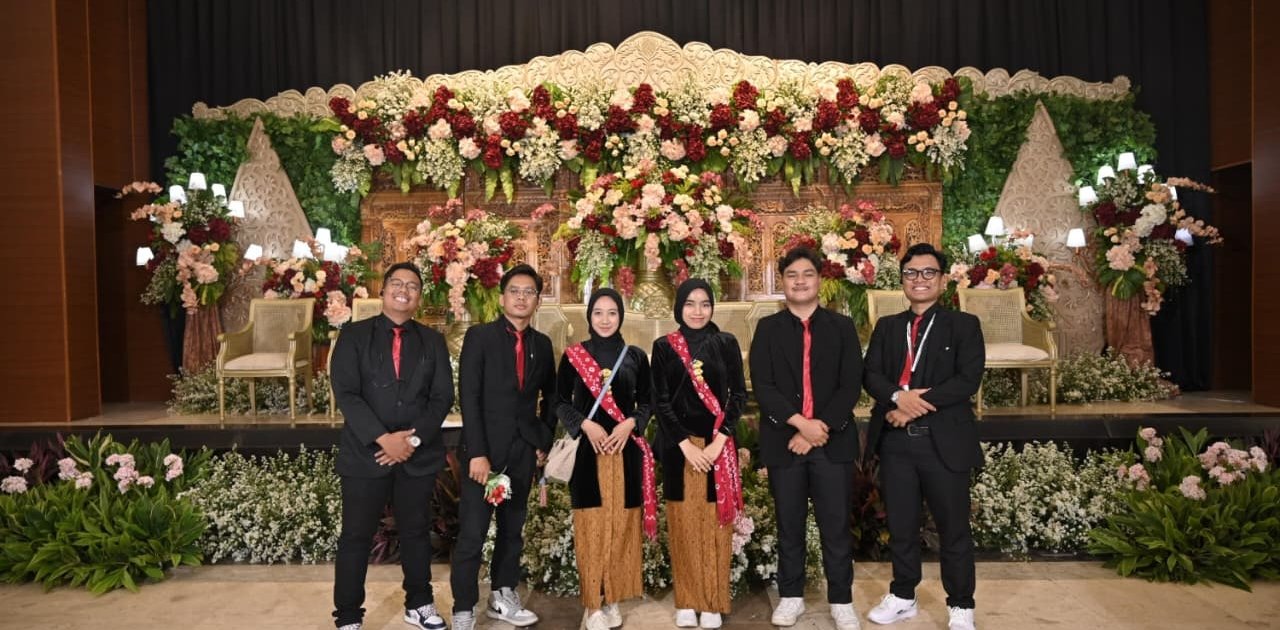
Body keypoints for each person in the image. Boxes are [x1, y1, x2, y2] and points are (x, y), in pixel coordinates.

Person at [862, 243, 984, 630]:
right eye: (911, 273)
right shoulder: (887, 326)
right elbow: (871, 376)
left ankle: (961, 604)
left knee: (953, 528)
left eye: (929, 272)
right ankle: (903, 595)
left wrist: (912, 404)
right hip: (896, 444)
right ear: (902, 280)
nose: (920, 279)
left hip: (943, 442)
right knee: (901, 526)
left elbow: (967, 380)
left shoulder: (964, 325)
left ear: (943, 280)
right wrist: (899, 397)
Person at [330, 261, 455, 630]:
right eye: (397, 283)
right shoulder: (354, 335)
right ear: (383, 291)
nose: (404, 290)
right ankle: (348, 616)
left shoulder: (432, 341)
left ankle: (419, 603)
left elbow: (442, 397)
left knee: (416, 532)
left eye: (412, 286)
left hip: (417, 454)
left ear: (419, 296)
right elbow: (347, 393)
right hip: (366, 453)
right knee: (356, 535)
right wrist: (383, 438)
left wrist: (412, 440)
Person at [749, 246, 863, 630]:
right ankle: (791, 596)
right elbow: (763, 386)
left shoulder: (842, 327)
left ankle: (841, 600)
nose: (800, 281)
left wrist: (817, 429)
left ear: (819, 280)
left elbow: (850, 385)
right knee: (789, 525)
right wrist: (800, 424)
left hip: (833, 443)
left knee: (836, 527)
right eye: (792, 275)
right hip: (785, 442)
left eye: (807, 274)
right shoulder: (768, 329)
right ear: (782, 282)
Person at [449, 264, 556, 630]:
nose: (521, 298)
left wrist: (542, 440)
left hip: (522, 452)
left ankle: (502, 595)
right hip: (484, 455)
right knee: (473, 534)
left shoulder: (542, 345)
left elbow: (552, 396)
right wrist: (477, 452)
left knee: (512, 531)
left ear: (537, 300)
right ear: (502, 298)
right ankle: (464, 607)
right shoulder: (480, 337)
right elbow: (469, 396)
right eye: (515, 291)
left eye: (529, 292)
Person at [555, 288, 657, 630]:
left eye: (612, 312)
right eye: (598, 312)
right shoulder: (573, 356)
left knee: (622, 527)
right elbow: (559, 401)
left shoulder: (636, 357)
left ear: (621, 316)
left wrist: (630, 424)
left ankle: (612, 598)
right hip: (589, 455)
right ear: (589, 316)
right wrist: (585, 424)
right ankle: (592, 605)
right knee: (591, 528)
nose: (605, 319)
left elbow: (648, 402)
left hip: (625, 455)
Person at [651, 278, 747, 630]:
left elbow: (738, 395)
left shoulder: (726, 343)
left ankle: (712, 601)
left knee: (716, 527)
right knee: (683, 525)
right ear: (679, 307)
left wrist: (719, 441)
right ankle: (687, 600)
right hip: (680, 450)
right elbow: (660, 401)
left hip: (717, 446)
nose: (697, 311)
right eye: (690, 304)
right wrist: (685, 445)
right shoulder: (664, 346)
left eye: (705, 304)